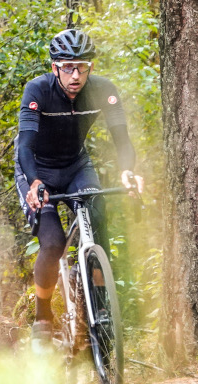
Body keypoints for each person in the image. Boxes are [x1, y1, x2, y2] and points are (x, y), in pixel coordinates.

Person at [14, 28, 144, 345]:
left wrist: (128, 172)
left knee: (99, 227)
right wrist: (34, 182)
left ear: (91, 68)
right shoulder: (38, 90)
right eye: (68, 67)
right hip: (37, 168)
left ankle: (100, 310)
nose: (75, 75)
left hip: (75, 166)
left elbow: (122, 140)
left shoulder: (103, 90)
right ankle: (42, 317)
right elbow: (25, 146)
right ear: (55, 67)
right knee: (53, 241)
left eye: (82, 67)